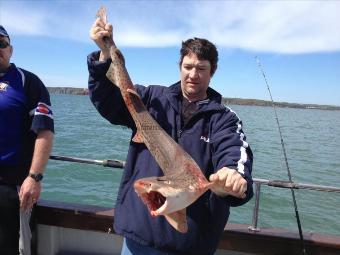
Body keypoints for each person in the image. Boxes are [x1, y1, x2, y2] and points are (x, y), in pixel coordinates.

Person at [88, 18, 253, 255]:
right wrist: (105, 54)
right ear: (180, 67)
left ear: (212, 72)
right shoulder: (152, 98)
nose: (193, 74)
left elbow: (234, 152)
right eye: (188, 66)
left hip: (191, 245)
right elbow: (108, 101)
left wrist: (233, 175)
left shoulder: (224, 119)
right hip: (139, 238)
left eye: (201, 68)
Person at [0, 25, 54, 255]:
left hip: (13, 185)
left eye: (2, 43)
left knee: (14, 249)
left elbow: (45, 132)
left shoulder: (28, 82)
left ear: (10, 50)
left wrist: (34, 177)